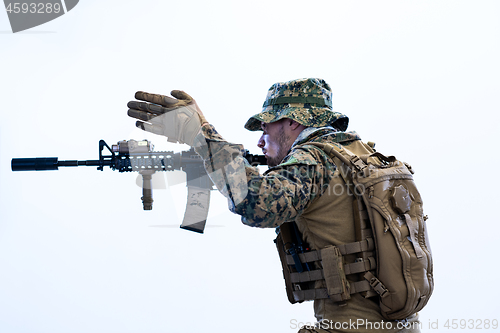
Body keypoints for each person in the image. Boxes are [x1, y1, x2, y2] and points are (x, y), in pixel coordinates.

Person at [127, 78, 422, 332]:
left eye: (265, 128)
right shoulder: (363, 156)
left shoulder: (313, 160)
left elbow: (253, 201)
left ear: (293, 121)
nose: (260, 141)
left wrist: (202, 135)